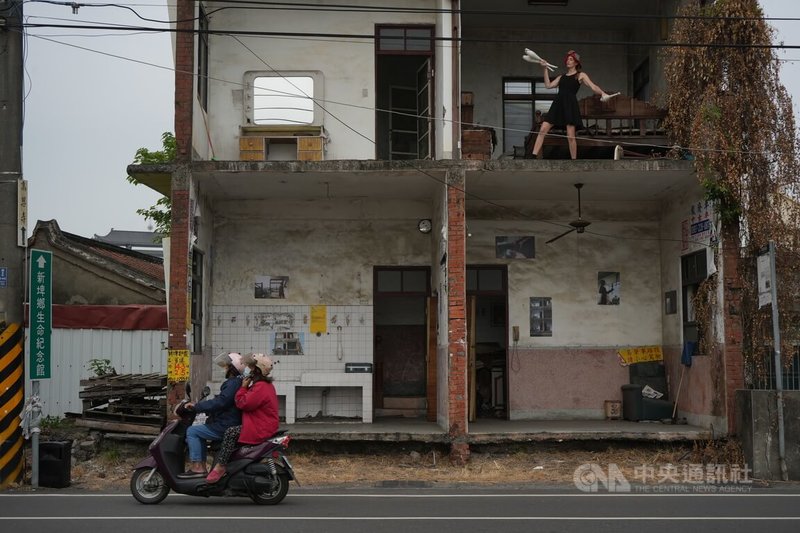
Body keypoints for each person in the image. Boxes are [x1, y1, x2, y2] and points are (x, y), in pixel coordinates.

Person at [206, 352, 280, 483]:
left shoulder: (260, 387)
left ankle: (220, 466)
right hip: (261, 424)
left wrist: (243, 388)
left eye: (250, 367)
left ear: (257, 370)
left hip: (260, 427)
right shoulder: (261, 385)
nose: (247, 369)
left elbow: (243, 403)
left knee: (230, 432)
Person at [531, 50, 611, 160]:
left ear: (576, 63)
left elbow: (593, 86)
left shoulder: (580, 75)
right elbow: (548, 85)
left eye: (571, 59)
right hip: (558, 104)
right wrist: (544, 69)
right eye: (567, 59)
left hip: (570, 105)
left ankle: (574, 160)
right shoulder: (561, 77)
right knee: (543, 129)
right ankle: (533, 156)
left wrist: (603, 93)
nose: (568, 61)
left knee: (571, 136)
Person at [177, 352, 244, 478]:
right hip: (227, 421)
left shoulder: (232, 383)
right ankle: (201, 467)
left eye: (226, 366)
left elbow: (221, 402)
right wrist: (204, 408)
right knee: (199, 432)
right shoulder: (236, 382)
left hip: (226, 424)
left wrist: (197, 407)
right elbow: (223, 403)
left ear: (232, 368)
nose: (224, 369)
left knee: (192, 431)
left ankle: (197, 468)